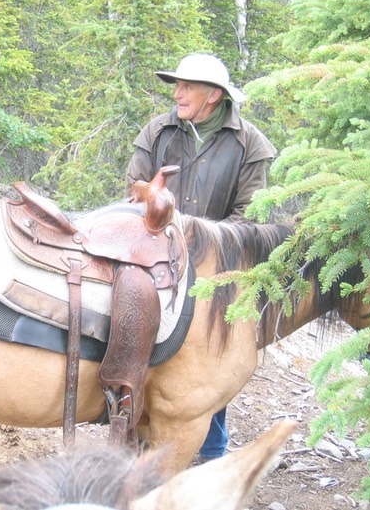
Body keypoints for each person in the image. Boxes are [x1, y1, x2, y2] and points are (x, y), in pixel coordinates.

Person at [125, 53, 277, 461]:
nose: (177, 93)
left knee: (210, 358)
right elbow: (130, 189)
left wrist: (203, 245)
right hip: (153, 258)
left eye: (187, 86)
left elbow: (252, 217)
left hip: (217, 273)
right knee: (135, 332)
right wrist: (147, 193)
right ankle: (129, 421)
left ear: (214, 95)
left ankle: (210, 454)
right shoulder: (157, 131)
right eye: (177, 85)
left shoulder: (251, 144)